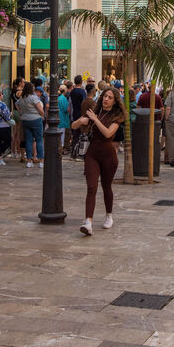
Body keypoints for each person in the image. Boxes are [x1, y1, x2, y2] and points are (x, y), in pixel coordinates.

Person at [72, 86, 125, 236]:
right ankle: (88, 222)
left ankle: (109, 215)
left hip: (108, 156)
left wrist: (95, 119)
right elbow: (74, 125)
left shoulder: (117, 116)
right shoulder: (95, 111)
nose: (106, 99)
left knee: (106, 187)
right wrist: (79, 121)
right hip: (92, 154)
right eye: (104, 96)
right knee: (91, 187)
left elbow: (108, 133)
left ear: (115, 102)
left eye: (110, 97)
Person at [17, 81, 44, 168]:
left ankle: (29, 161)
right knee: (39, 139)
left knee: (29, 140)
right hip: (36, 119)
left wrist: (21, 112)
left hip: (25, 120)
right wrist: (42, 114)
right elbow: (40, 110)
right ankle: (41, 161)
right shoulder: (33, 98)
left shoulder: (22, 98)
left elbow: (16, 104)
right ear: (31, 89)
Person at [10, 76, 25, 161]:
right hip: (19, 112)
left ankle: (13, 151)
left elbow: (12, 104)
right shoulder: (20, 92)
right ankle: (19, 152)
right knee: (19, 134)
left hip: (14, 112)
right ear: (20, 83)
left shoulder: (12, 92)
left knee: (14, 134)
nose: (24, 83)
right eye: (23, 82)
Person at [58, 84, 71, 149]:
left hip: (58, 118)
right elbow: (66, 109)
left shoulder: (58, 98)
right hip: (63, 118)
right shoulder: (64, 98)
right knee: (62, 136)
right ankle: (61, 149)